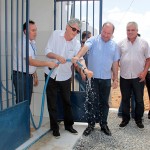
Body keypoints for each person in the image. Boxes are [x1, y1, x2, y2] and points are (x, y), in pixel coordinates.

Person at [44, 18, 93, 138]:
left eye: (78, 31)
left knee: (67, 101)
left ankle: (69, 125)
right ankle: (54, 127)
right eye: (74, 29)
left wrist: (85, 70)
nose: (75, 33)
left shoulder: (76, 43)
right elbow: (47, 51)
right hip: (51, 74)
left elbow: (79, 58)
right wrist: (56, 56)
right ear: (67, 27)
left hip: (65, 76)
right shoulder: (56, 34)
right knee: (52, 103)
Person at [72, 22, 120, 136]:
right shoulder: (93, 40)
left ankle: (103, 124)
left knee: (104, 103)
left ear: (112, 33)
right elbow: (85, 48)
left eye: (109, 33)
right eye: (104, 32)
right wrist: (78, 56)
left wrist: (115, 79)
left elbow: (115, 63)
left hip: (106, 79)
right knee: (92, 102)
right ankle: (91, 125)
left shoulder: (115, 46)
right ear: (101, 30)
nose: (105, 35)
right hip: (92, 78)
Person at [13, 20, 58, 104]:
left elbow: (31, 61)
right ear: (25, 31)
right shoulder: (23, 43)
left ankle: (25, 117)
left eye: (36, 30)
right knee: (22, 103)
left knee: (27, 102)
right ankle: (21, 117)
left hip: (27, 75)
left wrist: (35, 74)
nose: (35, 32)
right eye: (33, 30)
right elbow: (30, 62)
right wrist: (48, 63)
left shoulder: (32, 42)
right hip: (20, 76)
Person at [118, 22, 150, 129]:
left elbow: (148, 59)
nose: (130, 32)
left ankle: (138, 119)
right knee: (125, 99)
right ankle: (125, 119)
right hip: (124, 76)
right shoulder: (121, 43)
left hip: (138, 77)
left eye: (132, 30)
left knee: (139, 100)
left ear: (137, 30)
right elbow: (116, 59)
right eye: (128, 30)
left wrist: (145, 72)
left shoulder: (144, 43)